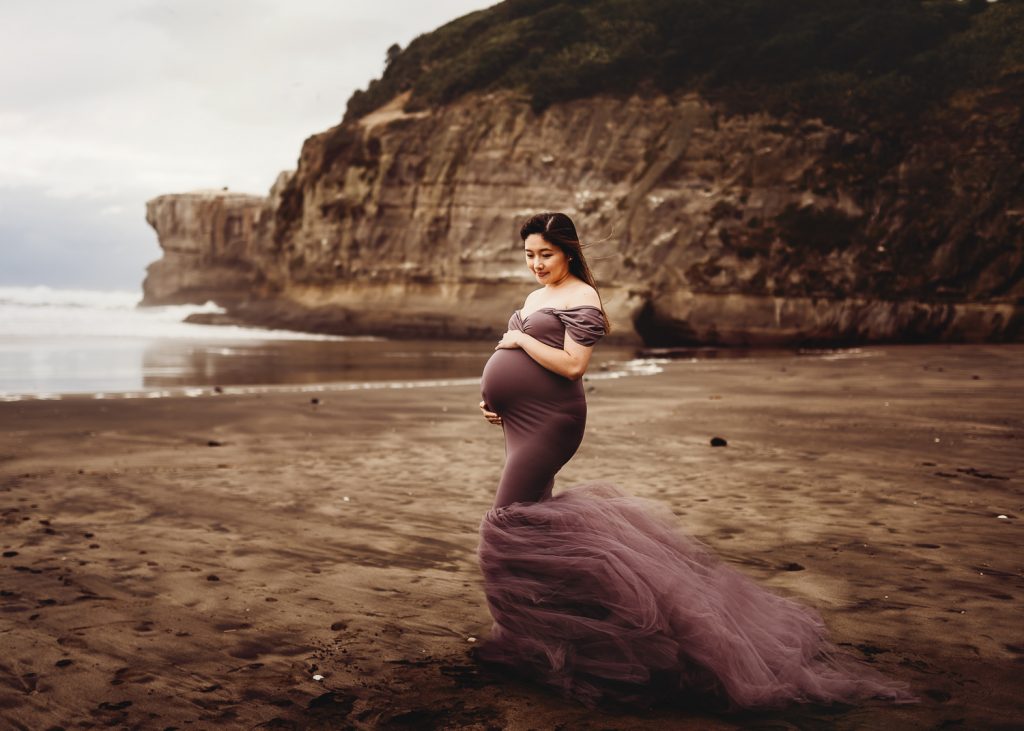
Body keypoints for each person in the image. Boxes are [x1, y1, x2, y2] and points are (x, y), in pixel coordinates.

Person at [474, 212, 916, 709]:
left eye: (546, 254)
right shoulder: (538, 296)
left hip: (552, 423)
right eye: (529, 254)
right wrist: (496, 403)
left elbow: (573, 365)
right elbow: (525, 366)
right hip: (521, 422)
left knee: (506, 522)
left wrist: (519, 341)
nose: (536, 263)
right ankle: (548, 638)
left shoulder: (582, 296)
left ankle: (537, 640)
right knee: (531, 524)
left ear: (568, 252)